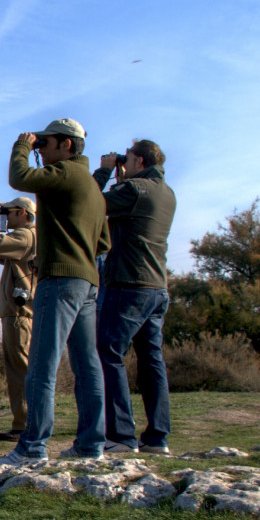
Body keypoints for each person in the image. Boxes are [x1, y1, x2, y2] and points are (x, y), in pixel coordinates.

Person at [0, 118, 110, 465]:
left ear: (68, 145)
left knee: (42, 365)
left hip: (59, 279)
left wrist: (21, 145)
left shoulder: (65, 174)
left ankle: (32, 447)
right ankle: (91, 445)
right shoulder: (91, 187)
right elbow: (103, 241)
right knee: (88, 366)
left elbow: (19, 178)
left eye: (46, 144)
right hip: (87, 280)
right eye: (37, 144)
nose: (40, 150)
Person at [93, 140, 177, 455]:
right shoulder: (166, 192)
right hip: (157, 286)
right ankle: (157, 438)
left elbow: (91, 204)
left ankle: (122, 436)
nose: (122, 163)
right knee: (152, 361)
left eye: (126, 159)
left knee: (109, 353)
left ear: (139, 160)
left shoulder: (135, 189)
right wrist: (122, 176)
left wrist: (103, 171)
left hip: (129, 284)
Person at [0, 197, 38, 442]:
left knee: (20, 370)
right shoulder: (27, 238)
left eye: (8, 212)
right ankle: (26, 422)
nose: (6, 216)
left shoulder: (26, 236)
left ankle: (25, 424)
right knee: (20, 369)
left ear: (22, 213)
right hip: (20, 314)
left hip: (20, 315)